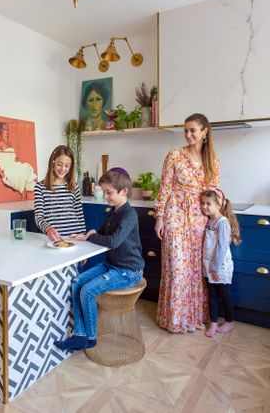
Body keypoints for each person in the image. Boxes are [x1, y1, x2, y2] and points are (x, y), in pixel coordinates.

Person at [54, 167, 144, 351]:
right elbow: (104, 232)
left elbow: (113, 241)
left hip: (129, 271)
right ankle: (79, 335)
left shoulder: (129, 214)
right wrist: (89, 233)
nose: (105, 197)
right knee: (77, 282)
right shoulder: (113, 212)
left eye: (109, 192)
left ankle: (91, 338)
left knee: (87, 291)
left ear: (124, 191)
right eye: (104, 192)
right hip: (113, 265)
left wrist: (91, 237)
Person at [154, 113, 220, 333]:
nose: (188, 134)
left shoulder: (213, 162)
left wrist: (216, 218)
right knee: (177, 267)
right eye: (186, 130)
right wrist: (160, 217)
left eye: (193, 130)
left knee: (195, 269)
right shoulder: (174, 155)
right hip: (175, 214)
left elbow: (214, 193)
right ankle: (173, 318)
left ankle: (193, 317)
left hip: (200, 217)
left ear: (205, 131)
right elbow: (165, 187)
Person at [201, 188, 240, 338]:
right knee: (212, 295)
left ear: (218, 205)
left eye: (208, 204)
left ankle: (230, 321)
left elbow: (223, 246)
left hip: (219, 267)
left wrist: (216, 267)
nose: (204, 207)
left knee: (223, 294)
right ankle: (214, 323)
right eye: (203, 203)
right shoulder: (209, 220)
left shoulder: (222, 222)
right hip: (209, 265)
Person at [34, 145, 86, 241]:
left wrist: (83, 236)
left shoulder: (74, 186)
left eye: (67, 165)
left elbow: (79, 214)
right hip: (55, 239)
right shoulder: (40, 187)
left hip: (75, 237)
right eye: (59, 164)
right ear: (53, 163)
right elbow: (38, 217)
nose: (63, 169)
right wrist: (48, 229)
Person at [0, 122, 37, 199]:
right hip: (9, 170)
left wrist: (15, 158)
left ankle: (24, 204)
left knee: (26, 179)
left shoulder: (8, 142)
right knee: (25, 177)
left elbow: (9, 156)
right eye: (5, 129)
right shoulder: (1, 143)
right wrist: (2, 175)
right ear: (0, 130)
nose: (7, 131)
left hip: (15, 166)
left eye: (8, 129)